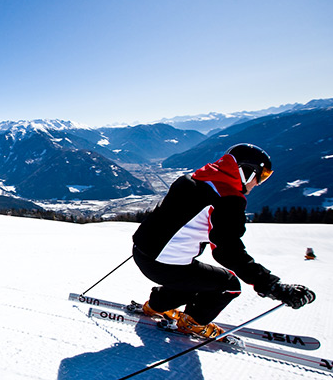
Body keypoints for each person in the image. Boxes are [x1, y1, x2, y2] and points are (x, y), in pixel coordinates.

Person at [131, 143, 315, 338]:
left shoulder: (193, 178)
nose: (259, 183)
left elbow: (163, 214)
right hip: (164, 264)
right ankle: (192, 323)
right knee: (228, 285)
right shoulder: (227, 200)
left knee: (196, 278)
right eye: (261, 176)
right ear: (246, 172)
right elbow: (228, 252)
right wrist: (272, 286)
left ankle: (156, 306)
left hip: (142, 252)